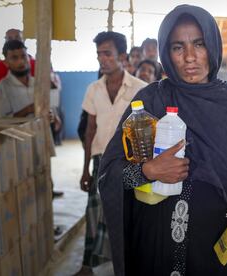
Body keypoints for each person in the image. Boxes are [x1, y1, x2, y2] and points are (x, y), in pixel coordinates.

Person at [98, 5, 227, 276]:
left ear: (213, 46)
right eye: (178, 47)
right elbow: (110, 172)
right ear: (166, 53)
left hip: (213, 244)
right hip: (155, 243)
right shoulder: (149, 100)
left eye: (199, 44)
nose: (190, 57)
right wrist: (148, 171)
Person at [77, 31, 146, 276]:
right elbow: (89, 130)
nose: (102, 59)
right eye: (99, 54)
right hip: (100, 161)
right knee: (94, 212)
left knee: (127, 215)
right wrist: (86, 168)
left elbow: (146, 130)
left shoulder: (140, 89)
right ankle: (87, 266)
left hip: (128, 163)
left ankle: (128, 266)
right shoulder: (94, 89)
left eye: (107, 53)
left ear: (122, 56)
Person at [0, 40, 34, 118]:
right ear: (6, 63)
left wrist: (52, 116)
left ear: (29, 58)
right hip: (18, 130)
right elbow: (1, 121)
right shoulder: (2, 89)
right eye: (14, 58)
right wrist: (27, 110)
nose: (21, 61)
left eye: (23, 56)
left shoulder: (38, 83)